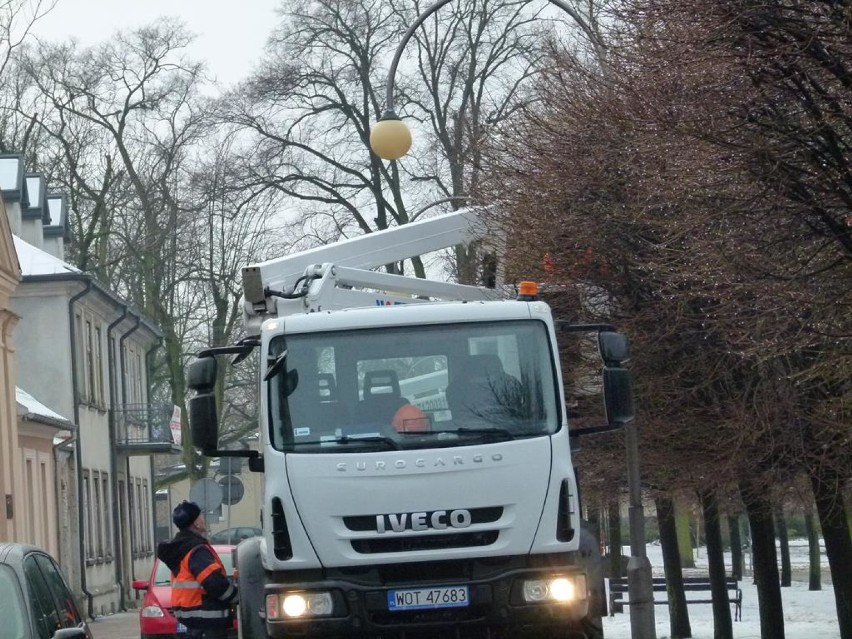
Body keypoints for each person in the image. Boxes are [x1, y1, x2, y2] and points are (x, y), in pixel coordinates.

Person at [156, 501, 238, 639]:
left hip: (192, 623)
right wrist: (236, 596)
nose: (203, 519)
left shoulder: (182, 549)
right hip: (207, 624)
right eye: (201, 516)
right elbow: (214, 583)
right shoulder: (197, 551)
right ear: (196, 524)